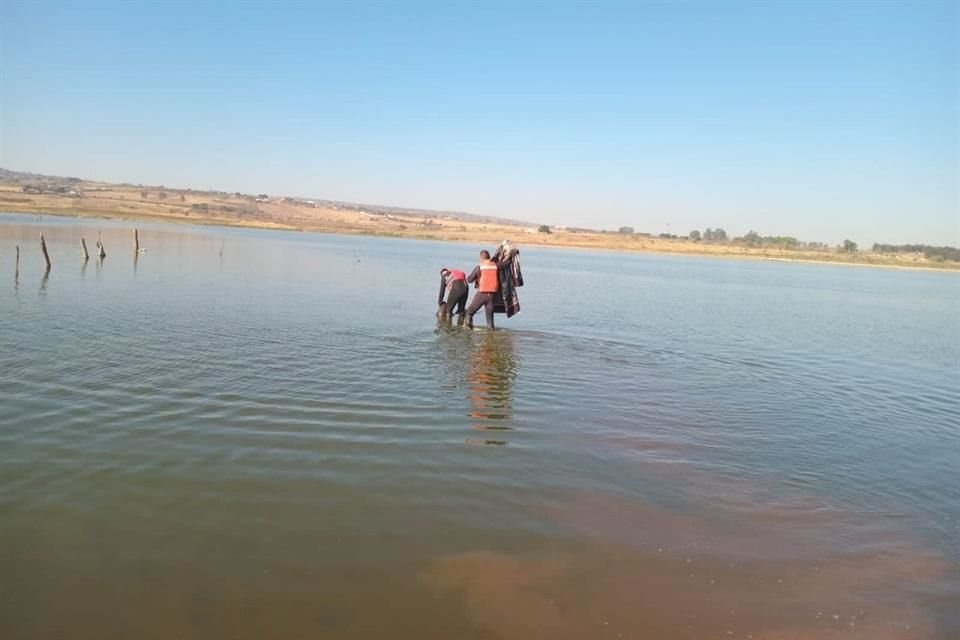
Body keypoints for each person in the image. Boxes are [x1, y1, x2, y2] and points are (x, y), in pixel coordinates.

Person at [465, 250, 499, 330]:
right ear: (489, 257)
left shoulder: (480, 267)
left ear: (481, 258)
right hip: (492, 295)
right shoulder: (496, 266)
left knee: (469, 312)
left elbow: (469, 280)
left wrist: (477, 276)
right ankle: (490, 338)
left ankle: (467, 334)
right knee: (490, 323)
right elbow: (506, 264)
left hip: (482, 294)